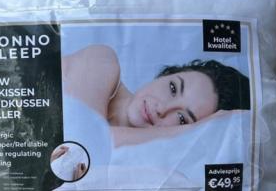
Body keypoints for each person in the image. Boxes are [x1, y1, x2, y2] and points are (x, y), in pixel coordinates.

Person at [62, 45, 250, 146]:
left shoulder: (143, 162)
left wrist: (197, 131)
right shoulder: (103, 61)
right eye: (173, 88)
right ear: (165, 75)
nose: (163, 109)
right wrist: (191, 128)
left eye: (182, 118)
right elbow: (82, 142)